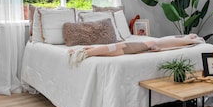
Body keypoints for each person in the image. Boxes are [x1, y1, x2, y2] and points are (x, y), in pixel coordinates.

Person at [68, 34, 205, 67]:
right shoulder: (183, 38)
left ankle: (87, 52)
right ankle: (86, 51)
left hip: (150, 45)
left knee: (120, 48)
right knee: (120, 47)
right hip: (150, 44)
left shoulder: (185, 39)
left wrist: (194, 40)